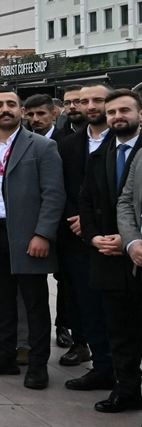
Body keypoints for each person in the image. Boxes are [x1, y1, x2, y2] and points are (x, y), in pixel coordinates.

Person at [0, 88, 64, 389]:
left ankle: (38, 364)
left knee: (34, 303)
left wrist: (43, 234)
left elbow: (54, 195)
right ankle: (3, 356)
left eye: (11, 105)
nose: (5, 110)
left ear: (21, 111)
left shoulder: (42, 147)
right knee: (1, 300)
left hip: (29, 237)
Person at [80, 89, 142, 409]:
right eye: (112, 112)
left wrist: (129, 238)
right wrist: (94, 238)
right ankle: (126, 389)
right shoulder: (98, 155)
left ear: (140, 115)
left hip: (138, 254)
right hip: (106, 255)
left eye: (125, 110)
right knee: (118, 329)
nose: (118, 116)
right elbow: (87, 203)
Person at [55, 84, 113, 378]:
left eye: (98, 100)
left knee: (116, 308)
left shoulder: (125, 141)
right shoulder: (67, 145)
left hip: (114, 239)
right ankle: (98, 363)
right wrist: (75, 218)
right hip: (75, 236)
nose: (90, 105)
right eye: (82, 101)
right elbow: (58, 189)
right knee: (83, 301)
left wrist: (93, 224)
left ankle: (122, 368)